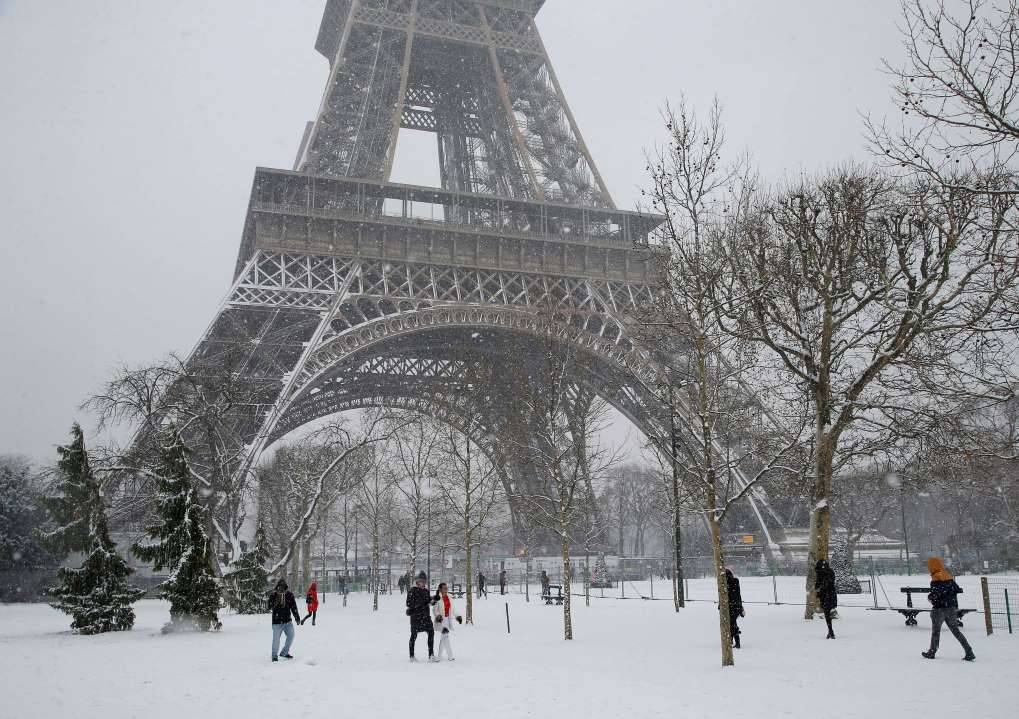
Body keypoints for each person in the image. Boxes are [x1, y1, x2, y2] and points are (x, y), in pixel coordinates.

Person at [922, 557, 975, 661]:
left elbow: (937, 594)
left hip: (939, 610)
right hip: (951, 608)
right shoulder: (948, 576)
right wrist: (948, 595)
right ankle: (969, 651)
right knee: (956, 631)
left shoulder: (935, 578)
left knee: (936, 632)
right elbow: (957, 589)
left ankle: (932, 652)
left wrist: (931, 597)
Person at [268, 579, 301, 662]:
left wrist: (297, 617)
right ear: (277, 587)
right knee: (276, 640)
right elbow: (269, 607)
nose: (281, 590)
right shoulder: (273, 595)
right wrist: (276, 601)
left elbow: (294, 607)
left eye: (283, 588)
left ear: (286, 588)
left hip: (287, 621)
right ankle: (274, 656)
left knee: (291, 635)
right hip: (276, 622)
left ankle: (284, 652)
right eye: (280, 588)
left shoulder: (289, 595)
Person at [406, 572, 437, 662]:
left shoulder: (426, 591)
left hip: (426, 617)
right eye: (421, 581)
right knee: (413, 636)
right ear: (417, 582)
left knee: (431, 633)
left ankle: (431, 655)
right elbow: (408, 603)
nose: (423, 583)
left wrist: (432, 601)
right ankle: (412, 656)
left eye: (424, 581)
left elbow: (427, 600)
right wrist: (423, 602)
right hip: (416, 617)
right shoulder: (412, 591)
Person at [433, 582, 463, 661]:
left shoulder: (449, 597)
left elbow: (453, 609)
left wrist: (457, 616)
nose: (446, 589)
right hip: (441, 620)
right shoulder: (437, 598)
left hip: (447, 619)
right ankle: (450, 656)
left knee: (444, 637)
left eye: (447, 588)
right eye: (444, 588)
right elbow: (435, 610)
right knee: (445, 636)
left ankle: (439, 656)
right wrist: (438, 616)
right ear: (440, 589)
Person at [815, 559, 838, 639]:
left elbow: (818, 585)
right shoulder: (831, 571)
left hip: (825, 595)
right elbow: (831, 582)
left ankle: (831, 631)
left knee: (827, 613)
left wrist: (818, 589)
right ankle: (830, 631)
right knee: (828, 612)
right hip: (831, 594)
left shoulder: (820, 572)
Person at [725, 568, 745, 648]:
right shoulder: (735, 581)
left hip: (732, 607)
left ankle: (735, 642)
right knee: (732, 623)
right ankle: (732, 641)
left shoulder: (726, 583)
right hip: (735, 606)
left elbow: (734, 595)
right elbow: (738, 595)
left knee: (731, 624)